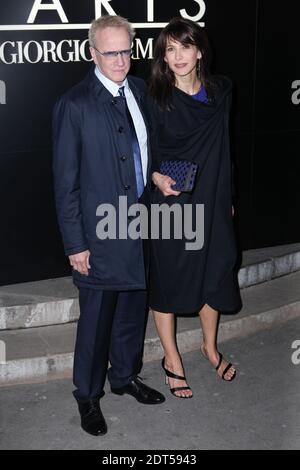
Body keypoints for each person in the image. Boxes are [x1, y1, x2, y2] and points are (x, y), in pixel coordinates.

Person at [52, 15, 165, 437]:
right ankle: (87, 395)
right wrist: (75, 245)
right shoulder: (74, 104)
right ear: (92, 53)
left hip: (140, 224)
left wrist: (155, 177)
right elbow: (65, 185)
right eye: (111, 52)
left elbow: (142, 153)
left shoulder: (139, 90)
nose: (120, 61)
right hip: (97, 235)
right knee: (96, 320)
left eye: (126, 51)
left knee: (132, 312)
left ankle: (124, 378)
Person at [148, 17, 242, 398]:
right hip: (171, 201)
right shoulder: (155, 98)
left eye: (185, 46)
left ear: (199, 49)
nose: (178, 56)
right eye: (170, 49)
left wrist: (229, 197)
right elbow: (142, 153)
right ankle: (171, 358)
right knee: (169, 277)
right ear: (164, 58)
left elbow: (226, 148)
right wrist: (154, 178)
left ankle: (209, 346)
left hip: (213, 199)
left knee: (214, 272)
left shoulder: (221, 91)